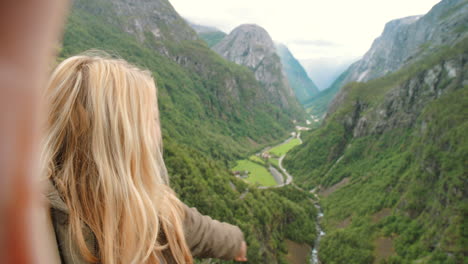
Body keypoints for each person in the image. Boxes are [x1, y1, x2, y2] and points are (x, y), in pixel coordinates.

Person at [40, 52, 248, 264]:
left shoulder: (147, 203)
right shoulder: (40, 223)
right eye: (153, 119)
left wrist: (235, 242)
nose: (160, 131)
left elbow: (196, 229)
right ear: (125, 138)